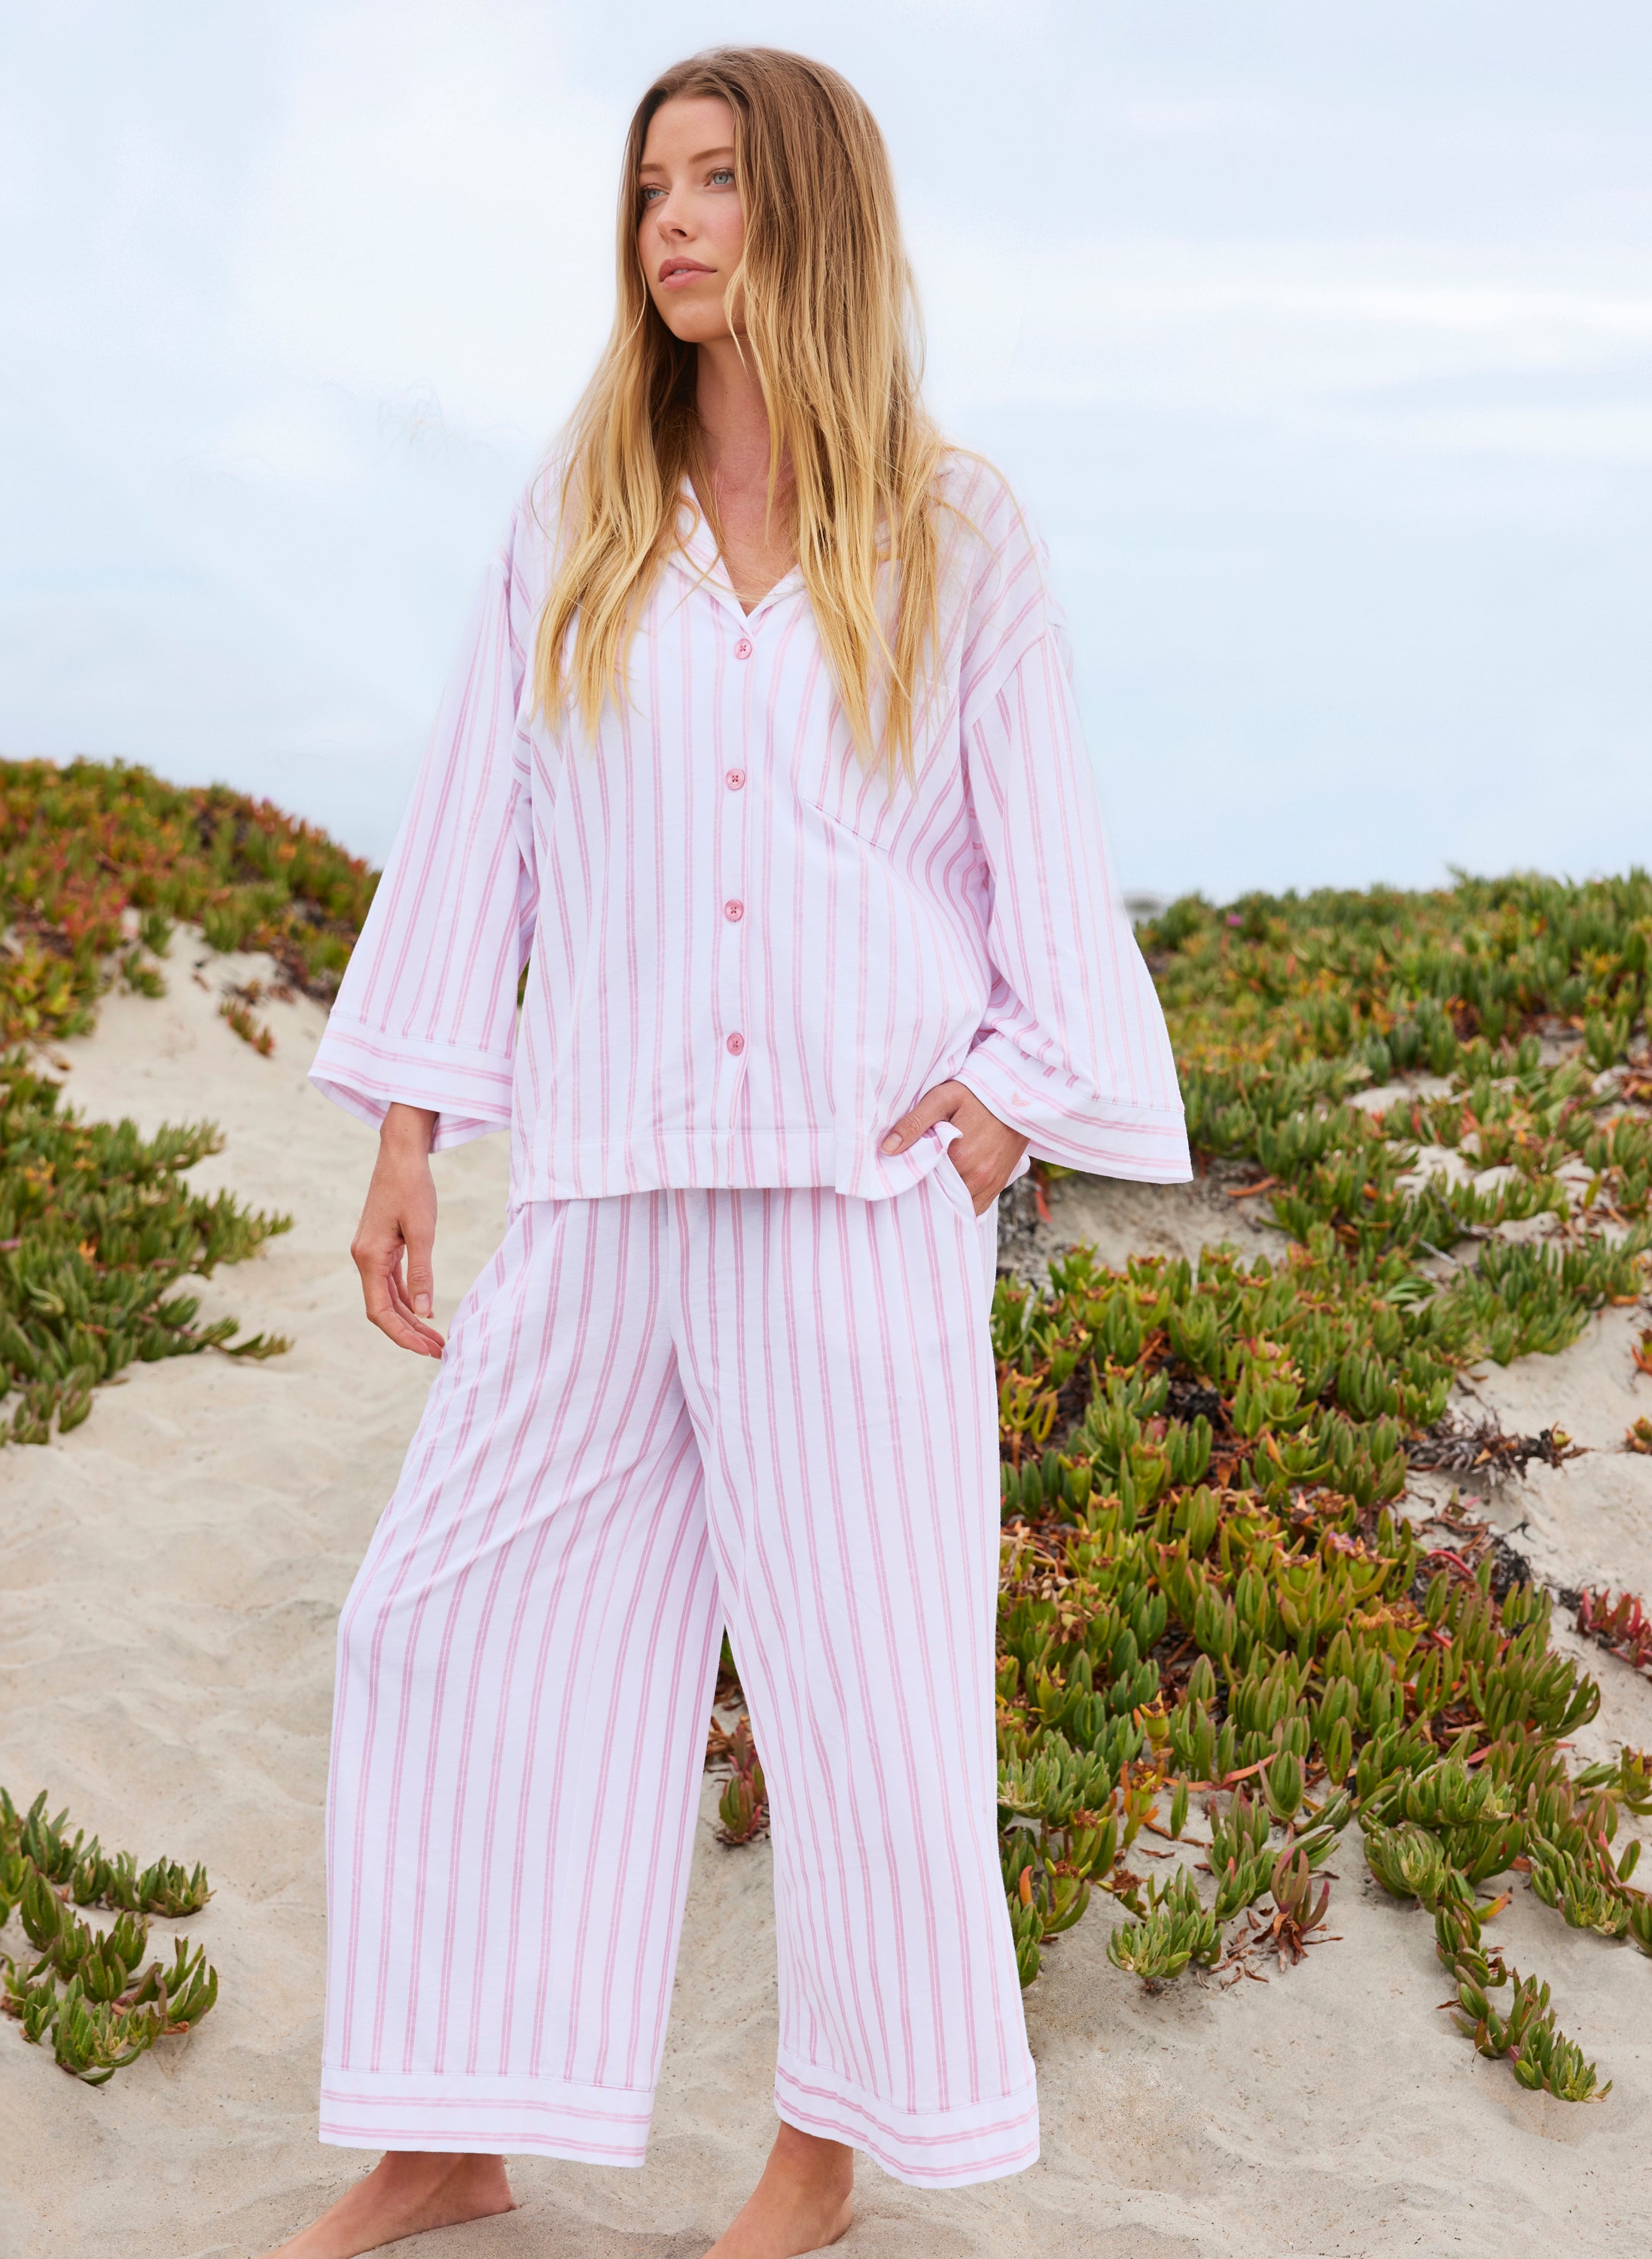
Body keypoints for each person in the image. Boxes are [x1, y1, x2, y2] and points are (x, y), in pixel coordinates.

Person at [274, 44, 1187, 2259]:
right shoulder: (575, 521)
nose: (676, 221)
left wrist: (987, 1125)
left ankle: (823, 2154)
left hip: (849, 1210)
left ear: (814, 214)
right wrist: (410, 1123)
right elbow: (473, 835)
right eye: (654, 184)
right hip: (594, 1191)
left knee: (864, 1686)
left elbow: (1051, 885)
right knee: (443, 1620)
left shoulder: (956, 535)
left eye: (722, 183)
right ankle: (454, 2129)